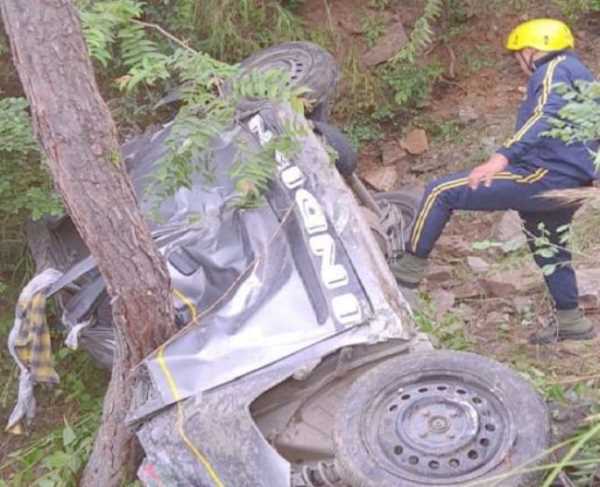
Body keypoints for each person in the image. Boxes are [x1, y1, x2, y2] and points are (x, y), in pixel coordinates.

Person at [391, 18, 598, 344]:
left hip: (543, 174)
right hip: (571, 182)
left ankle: (405, 276)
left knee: (440, 192)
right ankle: (571, 320)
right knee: (549, 246)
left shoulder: (554, 68)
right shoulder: (582, 75)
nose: (519, 64)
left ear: (533, 50)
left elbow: (544, 115)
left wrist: (501, 157)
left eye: (519, 56)